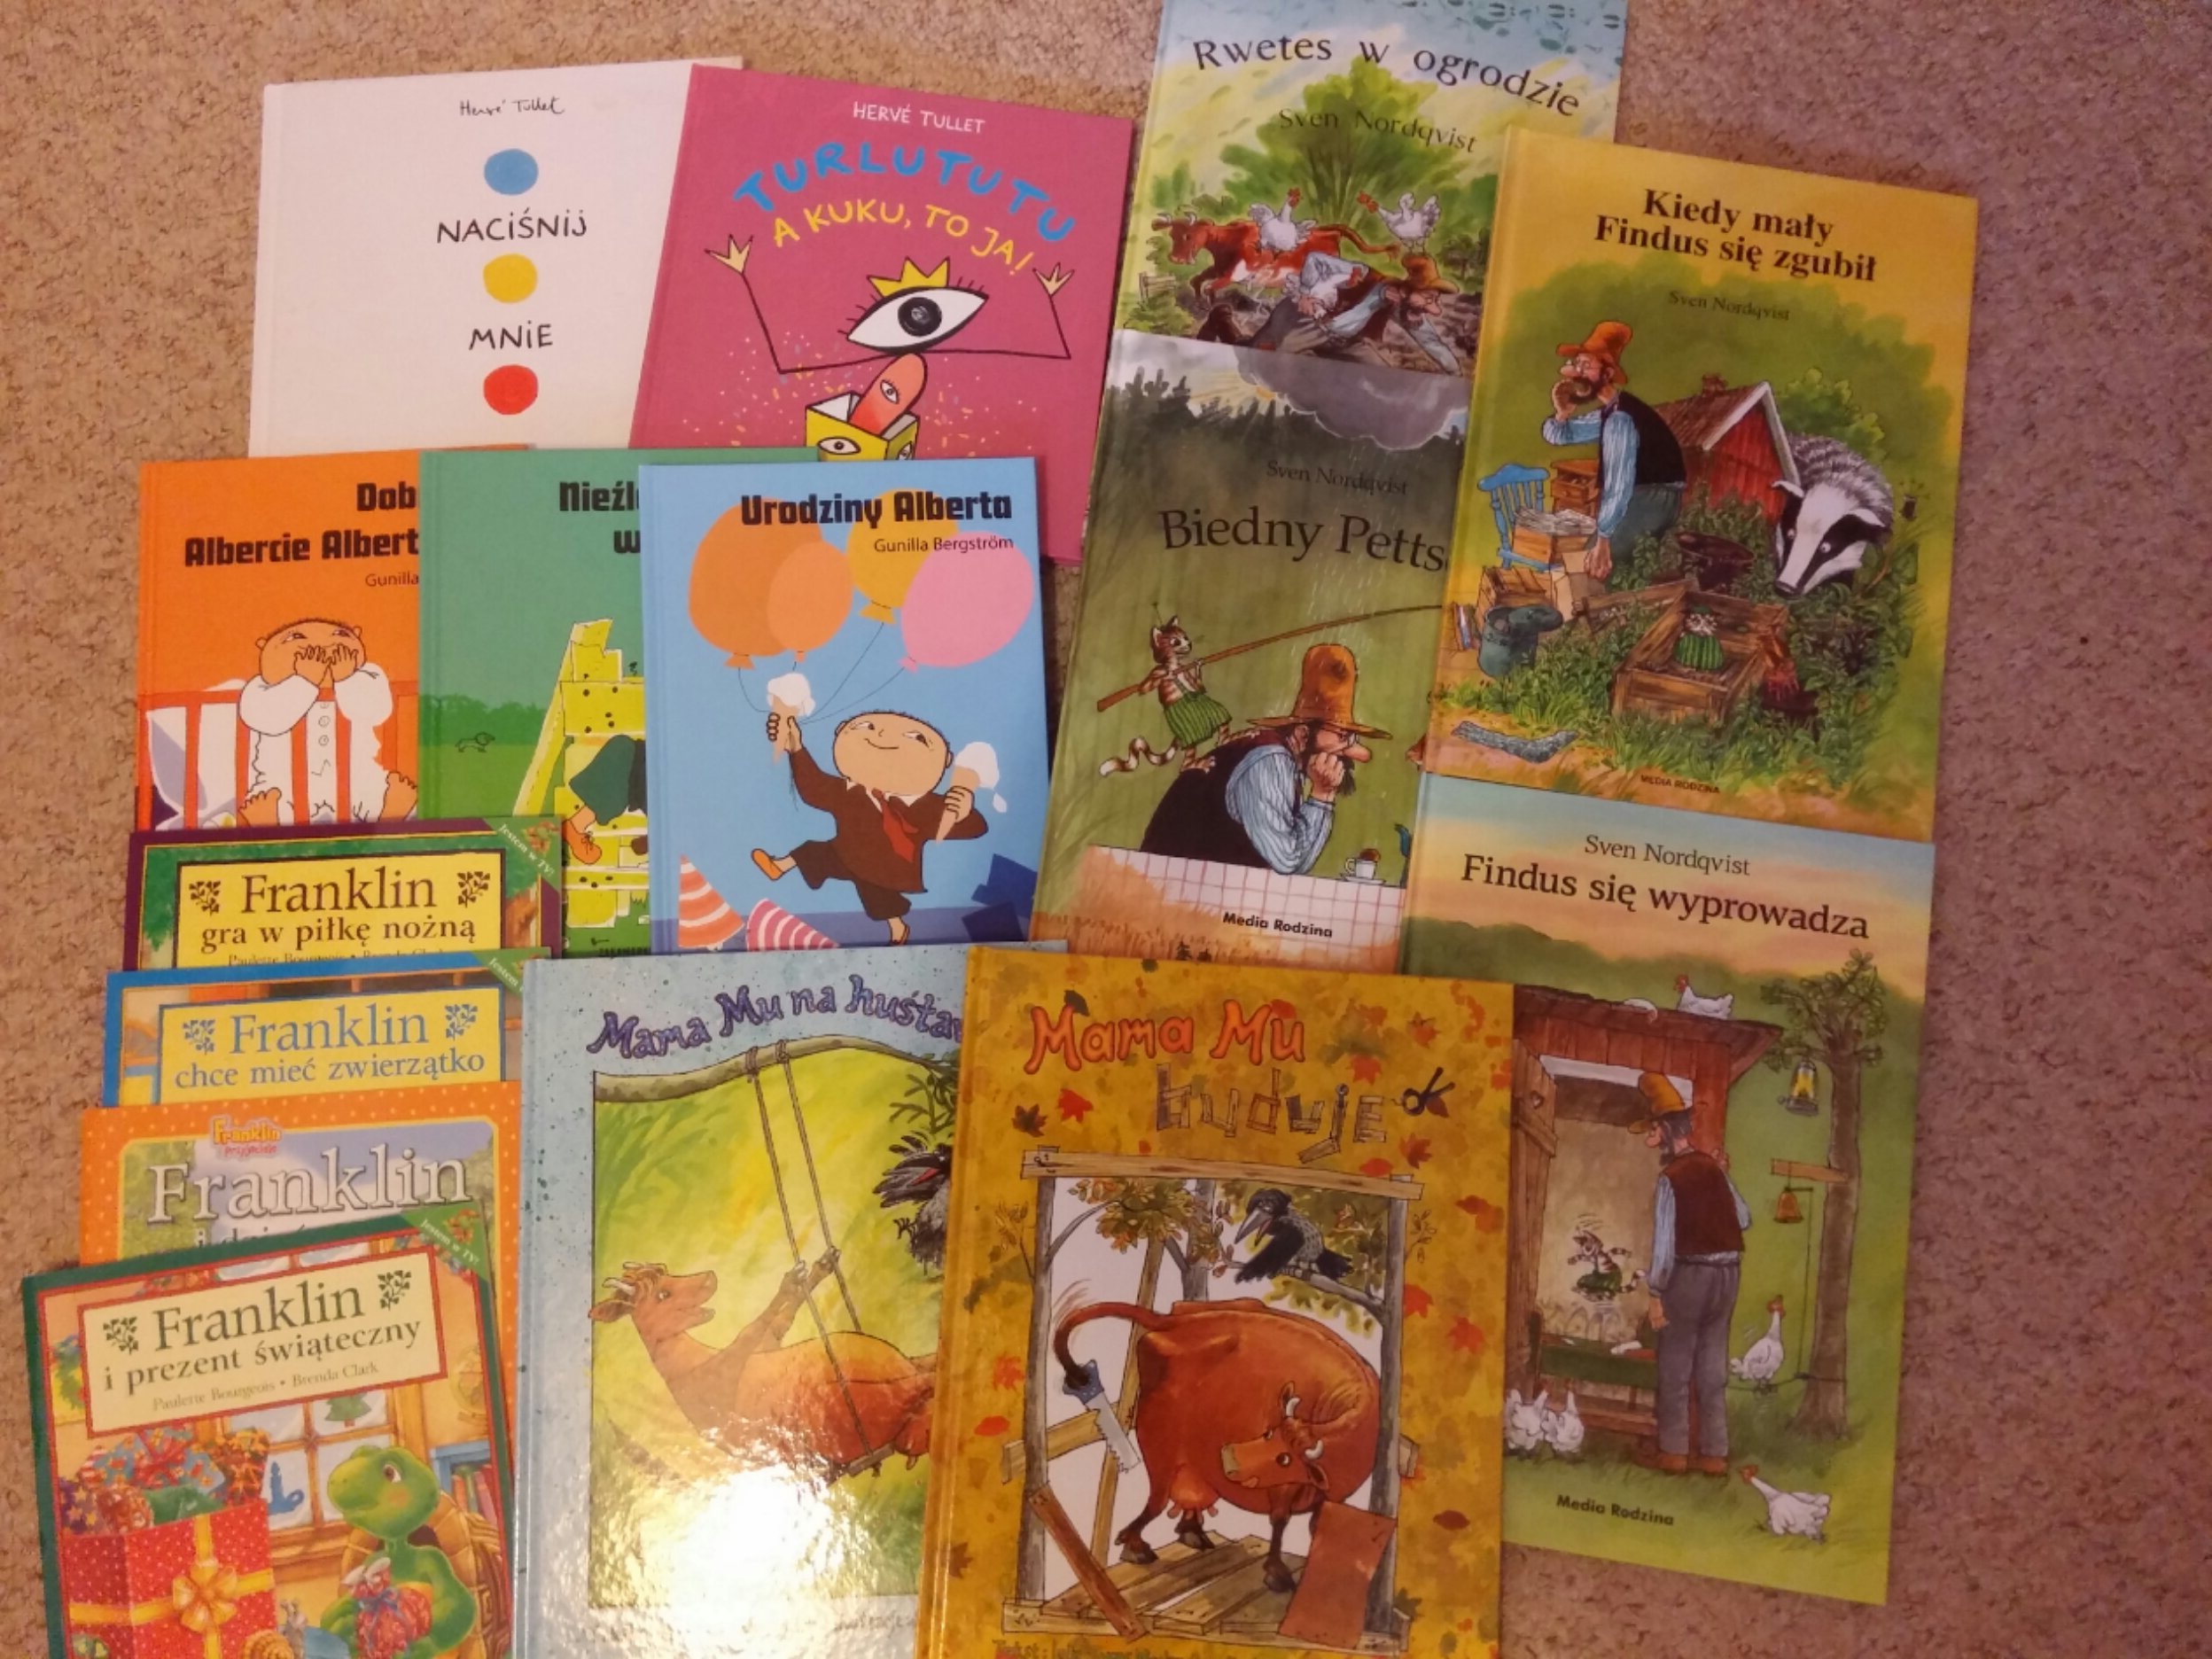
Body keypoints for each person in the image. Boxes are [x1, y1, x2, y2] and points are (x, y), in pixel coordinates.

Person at [1138, 643, 1382, 876]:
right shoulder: (1270, 762)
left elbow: (1293, 861)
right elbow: (1288, 859)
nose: (1349, 753)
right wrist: (1322, 794)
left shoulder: (1286, 762)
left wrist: (1323, 795)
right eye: (1342, 737)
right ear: (1303, 733)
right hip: (1172, 889)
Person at [751, 708, 984, 944]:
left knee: (878, 893)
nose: (883, 736)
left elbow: (972, 828)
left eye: (916, 738)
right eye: (866, 727)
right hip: (843, 852)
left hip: (888, 867)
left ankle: (898, 928)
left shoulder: (926, 807)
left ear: (945, 761)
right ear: (841, 731)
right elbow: (814, 788)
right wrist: (796, 748)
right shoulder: (848, 793)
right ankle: (778, 866)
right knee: (812, 851)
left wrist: (963, 812)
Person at [1635, 1071, 1750, 1475]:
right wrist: (1722, 1175)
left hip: (1689, 1277)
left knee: (1676, 1364)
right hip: (1728, 1275)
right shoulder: (1713, 1169)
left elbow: (1664, 1245)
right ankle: (1715, 1455)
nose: (1650, 1138)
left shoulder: (1670, 1178)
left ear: (1666, 1130)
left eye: (1652, 1130)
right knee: (1713, 1365)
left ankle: (1673, 1453)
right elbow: (1743, 1219)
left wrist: (1655, 1293)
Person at [1541, 321, 1686, 580]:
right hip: (1644, 497)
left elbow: (1619, 484)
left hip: (1654, 499)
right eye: (1577, 364)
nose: (1577, 373)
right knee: (1589, 563)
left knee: (1592, 566)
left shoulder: (1620, 419)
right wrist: (1562, 414)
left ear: (1607, 374)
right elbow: (1562, 436)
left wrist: (1604, 539)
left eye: (1586, 366)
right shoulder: (1611, 410)